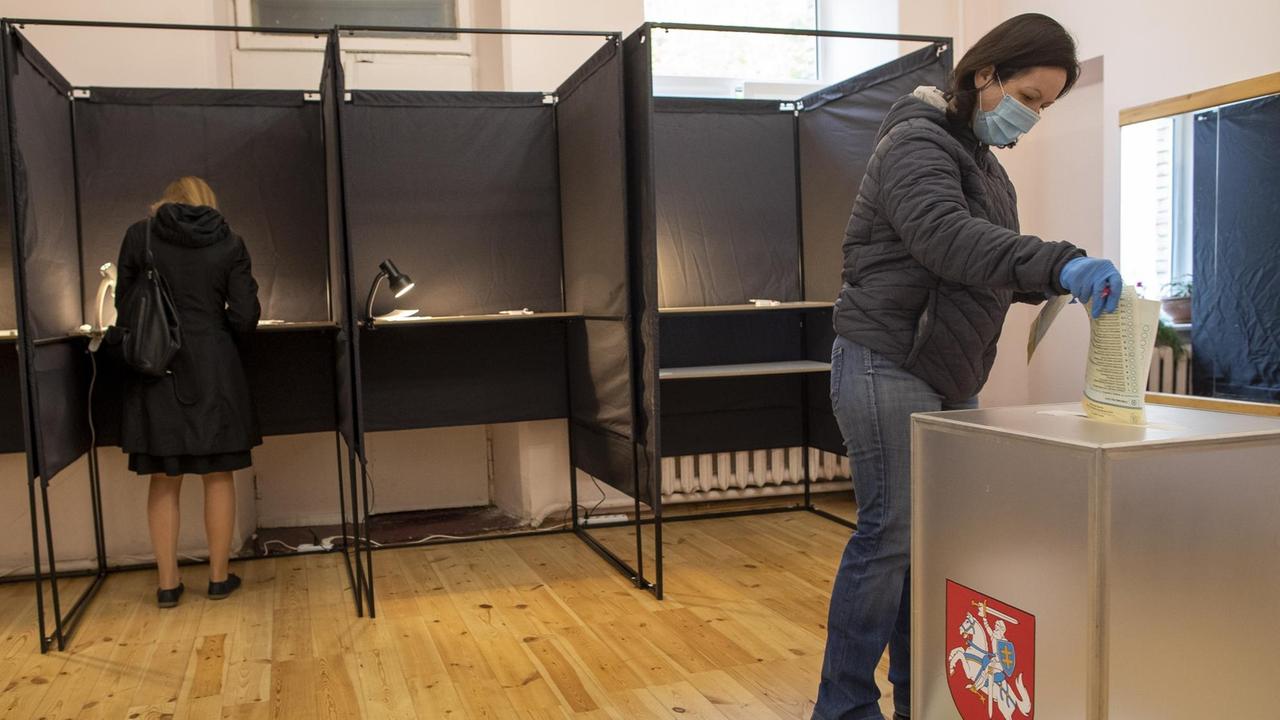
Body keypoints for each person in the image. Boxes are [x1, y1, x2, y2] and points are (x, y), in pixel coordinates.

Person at [814, 14, 1122, 720]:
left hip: (948, 370)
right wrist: (1058, 260)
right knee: (890, 533)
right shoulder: (915, 142)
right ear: (986, 74)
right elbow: (948, 242)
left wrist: (1056, 278)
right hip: (888, 358)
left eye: (1046, 105)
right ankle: (842, 707)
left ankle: (919, 696)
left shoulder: (985, 167)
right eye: (1032, 96)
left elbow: (987, 264)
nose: (1035, 115)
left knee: (938, 541)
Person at [113, 176, 261, 608]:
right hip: (216, 370)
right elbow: (246, 316)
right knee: (218, 474)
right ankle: (218, 578)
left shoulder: (139, 236)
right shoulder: (230, 242)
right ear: (208, 204)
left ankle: (167, 584)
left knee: (164, 478)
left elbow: (126, 305)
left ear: (167, 200)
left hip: (158, 369)